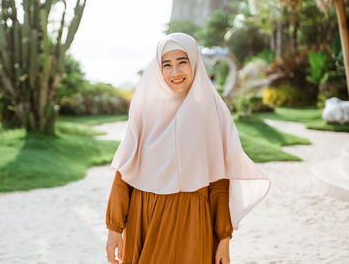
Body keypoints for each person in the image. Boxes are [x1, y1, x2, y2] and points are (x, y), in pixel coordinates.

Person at [105, 33, 271, 264]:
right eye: (167, 65)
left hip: (193, 221)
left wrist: (223, 238)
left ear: (194, 63)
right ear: (158, 69)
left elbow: (219, 181)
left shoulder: (210, 115)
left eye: (182, 62)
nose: (175, 72)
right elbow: (125, 172)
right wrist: (114, 228)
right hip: (145, 217)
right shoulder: (145, 113)